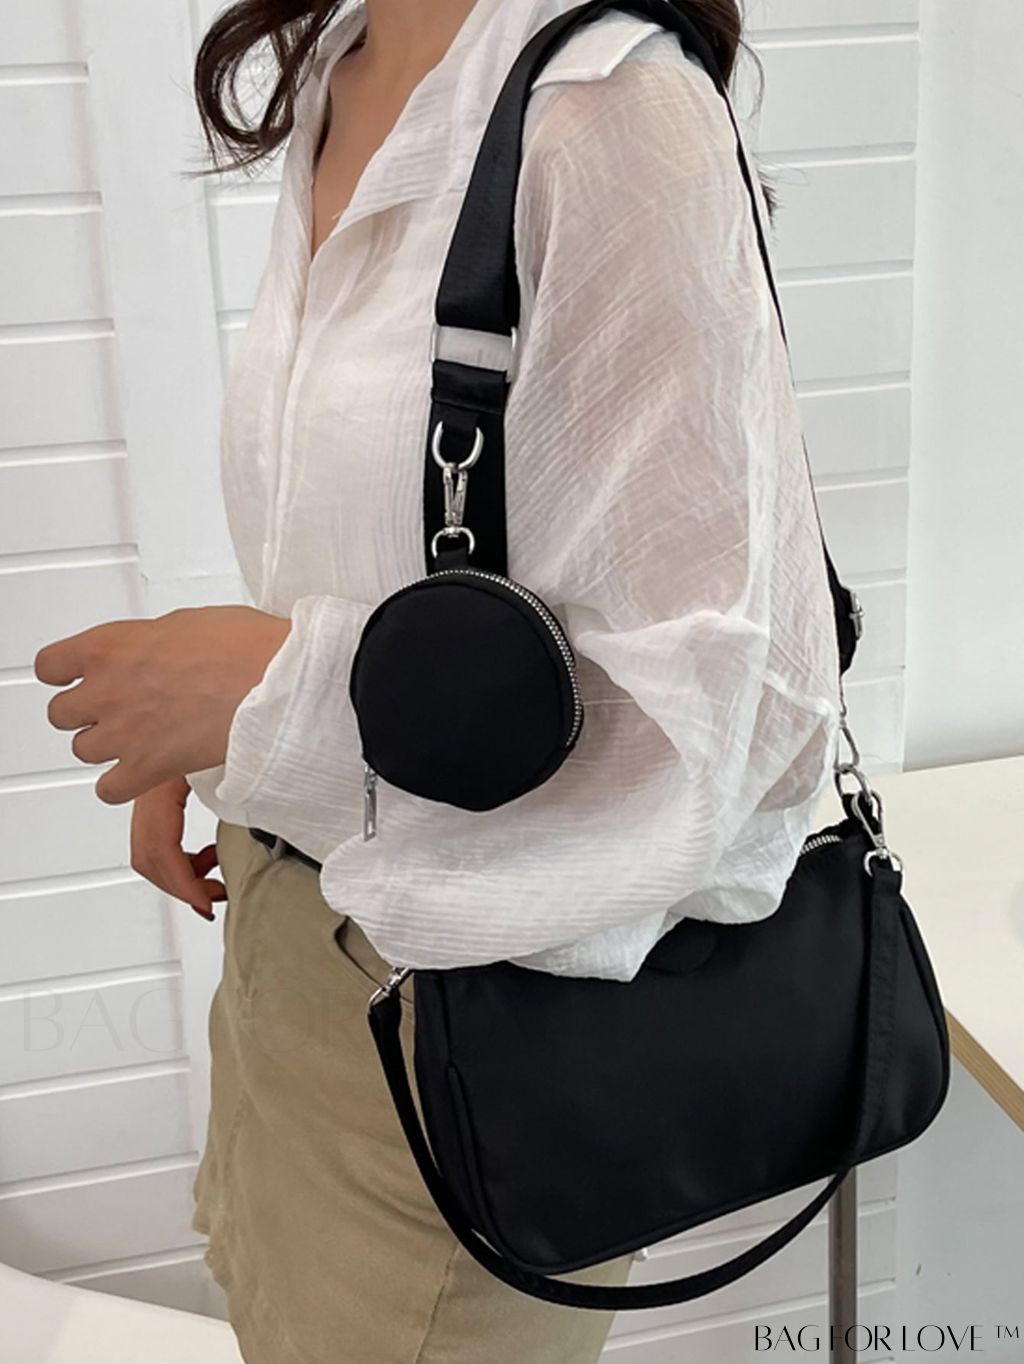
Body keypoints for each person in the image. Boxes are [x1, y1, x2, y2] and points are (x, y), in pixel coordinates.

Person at [33, 0, 842, 1358]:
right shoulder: (347, 63)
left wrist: (275, 698)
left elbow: (703, 723)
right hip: (286, 935)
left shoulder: (611, 111)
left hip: (473, 1021)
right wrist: (225, 736)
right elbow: (378, 538)